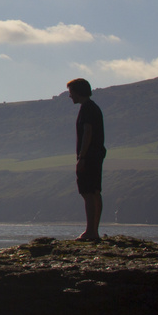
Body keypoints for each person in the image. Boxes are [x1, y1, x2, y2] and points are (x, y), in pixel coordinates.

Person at [66, 78, 105, 240]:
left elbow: (87, 132)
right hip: (96, 154)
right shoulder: (92, 107)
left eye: (71, 93)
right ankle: (94, 230)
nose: (70, 96)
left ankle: (91, 231)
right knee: (95, 191)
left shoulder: (87, 109)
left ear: (78, 92)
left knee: (88, 192)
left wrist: (82, 157)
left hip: (89, 155)